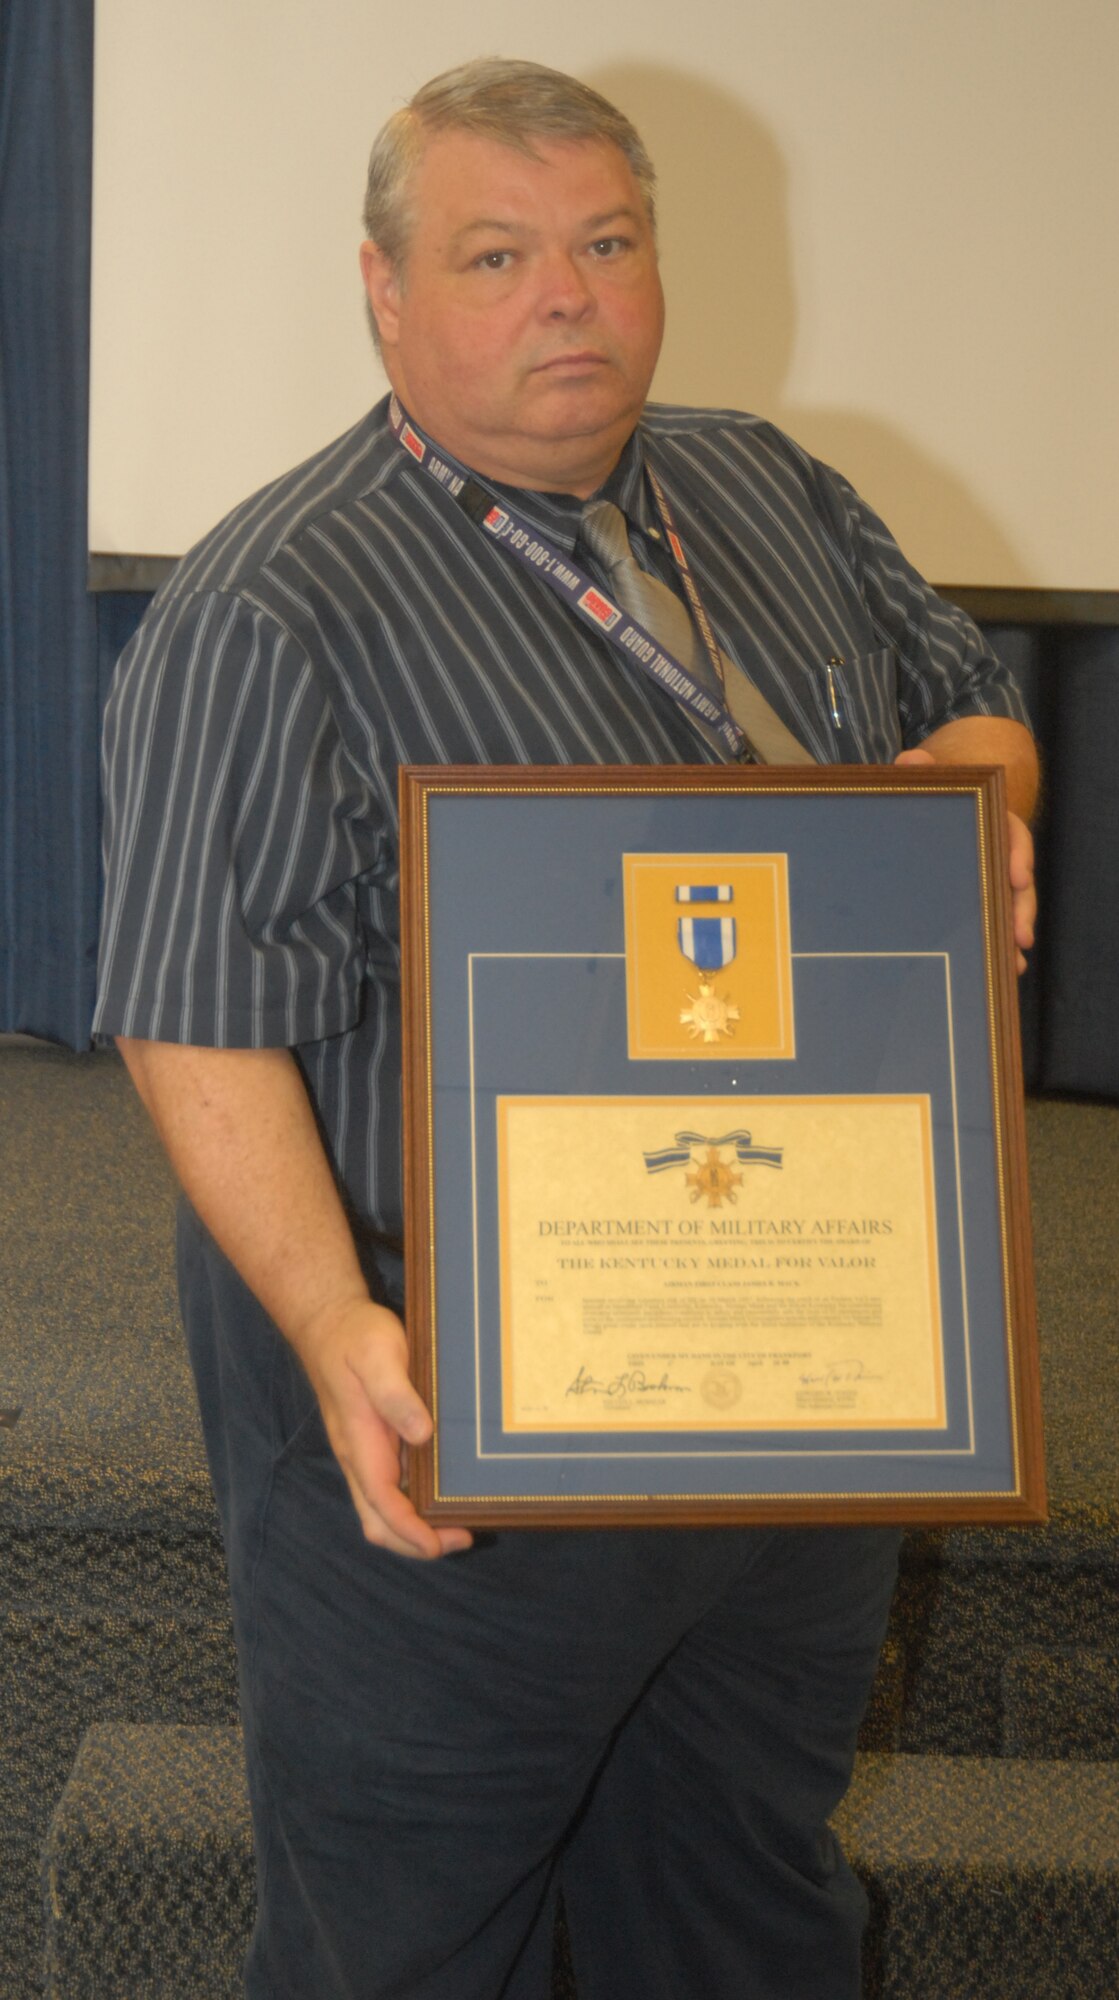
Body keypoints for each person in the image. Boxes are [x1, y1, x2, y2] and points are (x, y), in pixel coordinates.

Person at [95, 57, 1038, 2000]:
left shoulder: (763, 486)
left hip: (796, 1398)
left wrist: (980, 808)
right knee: (412, 1942)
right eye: (496, 254)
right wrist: (335, 1333)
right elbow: (192, 1019)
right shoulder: (273, 607)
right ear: (380, 289)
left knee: (744, 1898)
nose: (566, 297)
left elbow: (965, 693)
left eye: (604, 245)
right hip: (453, 1444)